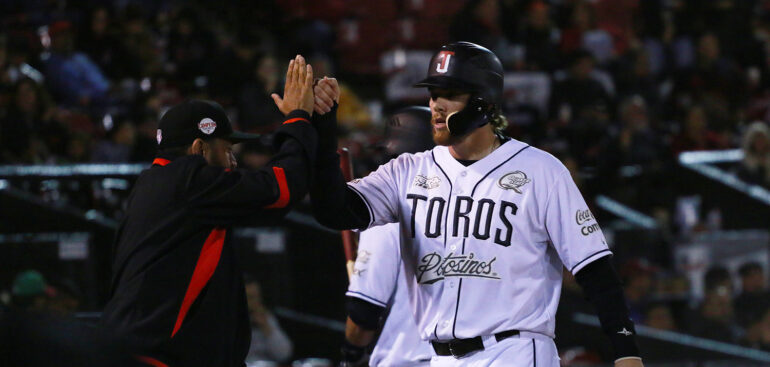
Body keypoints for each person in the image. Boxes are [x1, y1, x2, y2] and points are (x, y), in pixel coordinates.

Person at [310, 42, 643, 366]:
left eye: (451, 94)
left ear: (483, 102)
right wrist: (324, 128)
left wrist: (625, 350)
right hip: (439, 357)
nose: (437, 105)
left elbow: (596, 270)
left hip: (514, 350)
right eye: (434, 93)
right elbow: (334, 210)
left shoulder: (542, 171)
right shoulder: (407, 171)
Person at [101, 55, 318, 367]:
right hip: (155, 356)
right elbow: (283, 189)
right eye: (226, 149)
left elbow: (270, 208)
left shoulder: (158, 185)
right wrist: (298, 119)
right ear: (199, 150)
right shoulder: (188, 179)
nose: (233, 161)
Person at [341, 106, 436, 367]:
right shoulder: (466, 208)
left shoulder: (388, 209)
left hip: (408, 359)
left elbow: (363, 313)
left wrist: (351, 353)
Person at [244, 277, 293, 363]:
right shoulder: (228, 321)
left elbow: (284, 354)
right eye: (250, 297)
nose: (256, 302)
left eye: (257, 296)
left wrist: (266, 326)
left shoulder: (264, 317)